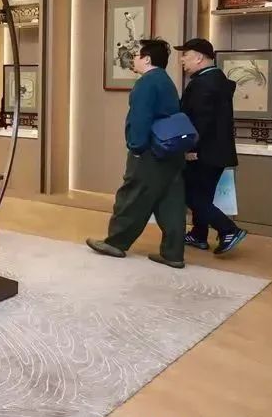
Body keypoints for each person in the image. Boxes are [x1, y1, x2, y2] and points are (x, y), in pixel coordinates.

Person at [87, 38, 188, 268]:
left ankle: (116, 242)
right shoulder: (166, 81)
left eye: (136, 55)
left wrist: (136, 147)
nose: (133, 59)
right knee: (171, 202)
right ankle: (173, 253)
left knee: (132, 196)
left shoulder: (146, 84)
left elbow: (140, 119)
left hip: (150, 151)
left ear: (147, 59)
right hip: (171, 151)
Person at [175, 38, 248, 255]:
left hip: (203, 153)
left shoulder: (203, 84)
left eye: (185, 55)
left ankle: (228, 229)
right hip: (217, 152)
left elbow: (200, 122)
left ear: (199, 58)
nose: (182, 60)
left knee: (190, 194)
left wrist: (190, 148)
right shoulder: (217, 80)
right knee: (203, 195)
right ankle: (199, 235)